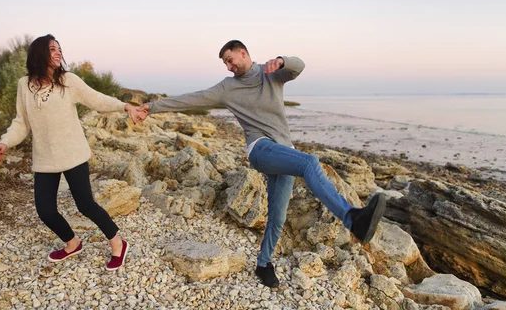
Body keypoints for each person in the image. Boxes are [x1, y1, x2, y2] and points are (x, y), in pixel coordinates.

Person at [138, 40, 386, 287]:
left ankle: (263, 264)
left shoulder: (272, 75)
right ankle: (352, 218)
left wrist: (282, 61)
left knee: (278, 216)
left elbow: (298, 67)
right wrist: (152, 107)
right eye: (225, 63)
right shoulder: (227, 88)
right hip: (260, 149)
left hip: (284, 151)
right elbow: (193, 99)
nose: (228, 66)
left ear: (243, 53)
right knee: (310, 162)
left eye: (230, 60)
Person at [0, 34, 146, 271]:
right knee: (45, 210)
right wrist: (5, 141)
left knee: (85, 205)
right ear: (39, 53)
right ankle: (72, 243)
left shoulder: (68, 81)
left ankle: (118, 243)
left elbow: (97, 100)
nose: (58, 52)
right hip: (45, 159)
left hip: (73, 154)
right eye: (53, 48)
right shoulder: (24, 85)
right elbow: (22, 122)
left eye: (59, 49)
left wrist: (126, 107)